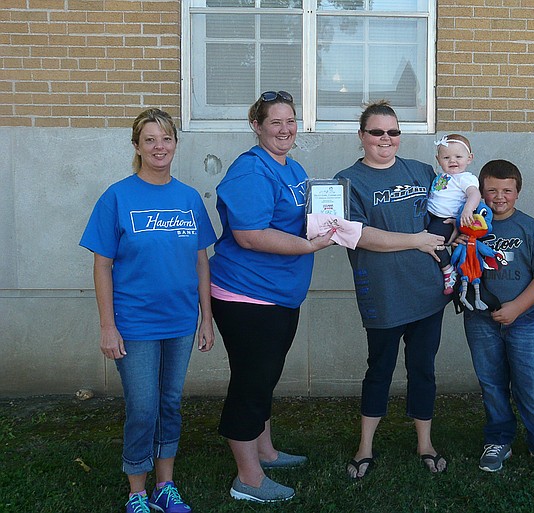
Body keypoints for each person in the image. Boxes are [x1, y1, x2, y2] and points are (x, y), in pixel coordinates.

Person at [80, 108, 217, 513]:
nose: (160, 147)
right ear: (137, 147)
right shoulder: (117, 196)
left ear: (176, 143)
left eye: (167, 139)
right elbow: (102, 263)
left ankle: (165, 485)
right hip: (135, 322)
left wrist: (206, 317)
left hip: (179, 321)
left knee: (169, 403)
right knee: (143, 407)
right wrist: (108, 326)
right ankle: (136, 492)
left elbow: (201, 260)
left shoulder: (189, 198)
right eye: (151, 140)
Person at [209, 91, 334, 503]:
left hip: (280, 295)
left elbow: (304, 217)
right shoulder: (250, 171)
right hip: (247, 296)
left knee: (266, 378)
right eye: (275, 122)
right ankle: (249, 478)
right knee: (251, 382)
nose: (285, 129)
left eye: (290, 121)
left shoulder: (292, 166)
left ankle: (265, 450)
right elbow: (250, 234)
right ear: (257, 126)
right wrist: (310, 246)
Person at [334, 100, 452, 479]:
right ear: (362, 136)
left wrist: (449, 229)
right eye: (377, 132)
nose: (386, 139)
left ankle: (425, 443)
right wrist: (416, 240)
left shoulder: (421, 171)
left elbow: (445, 213)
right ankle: (365, 446)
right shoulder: (347, 181)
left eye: (393, 132)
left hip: (427, 291)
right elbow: (359, 235)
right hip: (383, 293)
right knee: (379, 369)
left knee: (423, 368)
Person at [462, 159, 534, 479]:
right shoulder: (470, 226)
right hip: (480, 319)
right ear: (480, 192)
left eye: (507, 190)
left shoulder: (528, 227)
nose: (499, 197)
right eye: (492, 190)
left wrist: (517, 307)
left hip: (523, 320)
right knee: (491, 382)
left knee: (532, 383)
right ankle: (498, 440)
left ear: (518, 192)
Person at [427, 133, 481, 294]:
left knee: (433, 241)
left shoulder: (465, 178)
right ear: (438, 160)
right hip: (431, 216)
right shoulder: (442, 176)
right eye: (446, 157)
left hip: (446, 220)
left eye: (458, 156)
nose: (452, 161)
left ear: (469, 158)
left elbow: (475, 194)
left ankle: (448, 269)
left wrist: (467, 210)